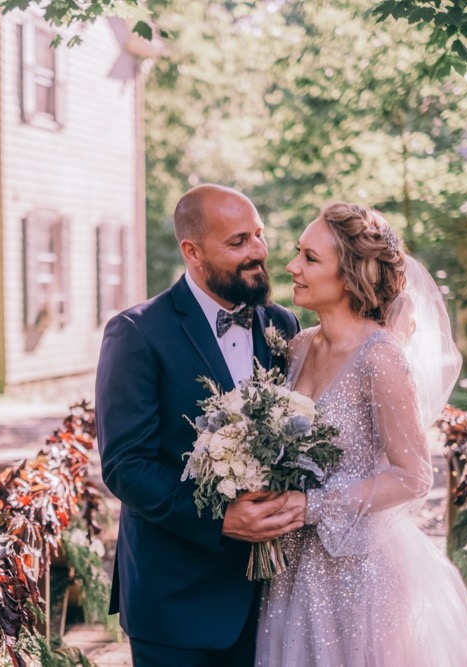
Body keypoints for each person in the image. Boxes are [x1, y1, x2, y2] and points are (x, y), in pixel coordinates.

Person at [255, 202, 467, 666]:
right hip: (293, 569)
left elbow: (413, 476)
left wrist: (313, 505)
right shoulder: (298, 346)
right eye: (298, 252)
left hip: (361, 572)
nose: (291, 266)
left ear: (351, 276)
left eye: (310, 257)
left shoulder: (380, 357)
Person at [95, 184, 303, 667]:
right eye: (238, 242)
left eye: (258, 235)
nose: (258, 251)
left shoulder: (284, 325)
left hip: (269, 600)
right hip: (175, 601)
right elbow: (126, 465)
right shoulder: (137, 332)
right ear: (192, 252)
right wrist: (221, 519)